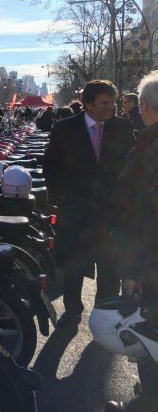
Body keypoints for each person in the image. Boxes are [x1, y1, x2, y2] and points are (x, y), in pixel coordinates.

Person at [43, 79, 136, 327]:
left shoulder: (123, 129)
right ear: (88, 104)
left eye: (113, 102)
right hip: (76, 211)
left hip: (111, 214)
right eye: (105, 103)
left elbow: (131, 168)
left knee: (109, 267)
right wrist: (60, 195)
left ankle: (104, 316)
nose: (112, 107)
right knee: (74, 265)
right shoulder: (65, 128)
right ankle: (72, 309)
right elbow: (50, 164)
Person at [104, 71, 158, 412]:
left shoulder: (149, 150)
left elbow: (142, 218)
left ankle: (148, 401)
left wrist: (133, 270)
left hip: (150, 263)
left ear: (143, 106)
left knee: (148, 330)